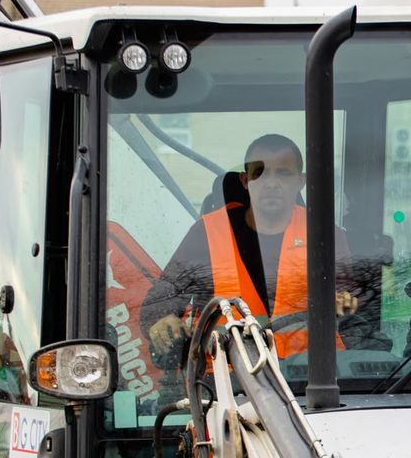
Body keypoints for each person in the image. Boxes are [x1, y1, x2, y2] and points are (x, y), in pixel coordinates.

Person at [141, 133, 349, 361]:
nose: (271, 183)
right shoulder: (206, 234)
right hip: (225, 378)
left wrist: (344, 302)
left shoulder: (325, 236)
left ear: (301, 181)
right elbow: (162, 300)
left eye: (283, 173)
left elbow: (354, 300)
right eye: (259, 173)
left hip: (311, 376)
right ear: (245, 180)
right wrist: (162, 320)